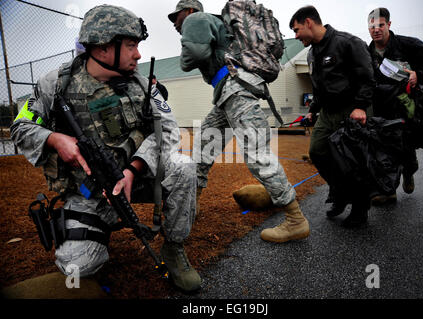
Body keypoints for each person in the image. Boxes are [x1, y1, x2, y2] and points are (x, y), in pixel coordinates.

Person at [10, 4, 201, 293]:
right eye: (131, 46)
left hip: (134, 181)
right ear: (102, 49)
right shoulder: (56, 84)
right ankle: (96, 228)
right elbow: (20, 128)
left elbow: (169, 130)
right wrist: (55, 139)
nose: (138, 54)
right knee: (79, 267)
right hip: (86, 191)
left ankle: (174, 250)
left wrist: (132, 170)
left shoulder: (142, 84)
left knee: (183, 166)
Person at [168, 0, 310, 243]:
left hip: (236, 90)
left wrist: (187, 44)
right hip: (227, 94)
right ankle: (193, 204)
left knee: (257, 153)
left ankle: (295, 219)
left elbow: (191, 57)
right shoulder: (216, 24)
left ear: (190, 11)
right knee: (203, 146)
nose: (174, 23)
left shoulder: (196, 20)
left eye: (177, 17)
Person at [289, 6, 375, 227]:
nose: (296, 36)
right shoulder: (312, 53)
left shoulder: (347, 43)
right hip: (327, 112)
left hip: (352, 110)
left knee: (353, 161)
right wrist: (312, 110)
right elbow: (319, 87)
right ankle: (341, 193)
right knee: (317, 151)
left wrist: (361, 106)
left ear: (309, 22)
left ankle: (360, 210)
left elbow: (367, 77)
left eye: (297, 30)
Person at [367, 7, 423, 205]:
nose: (376, 30)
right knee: (383, 149)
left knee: (406, 150)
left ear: (389, 25)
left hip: (407, 109)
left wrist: (419, 74)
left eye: (380, 25)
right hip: (382, 109)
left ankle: (409, 172)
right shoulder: (368, 52)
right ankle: (388, 191)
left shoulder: (408, 44)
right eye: (372, 26)